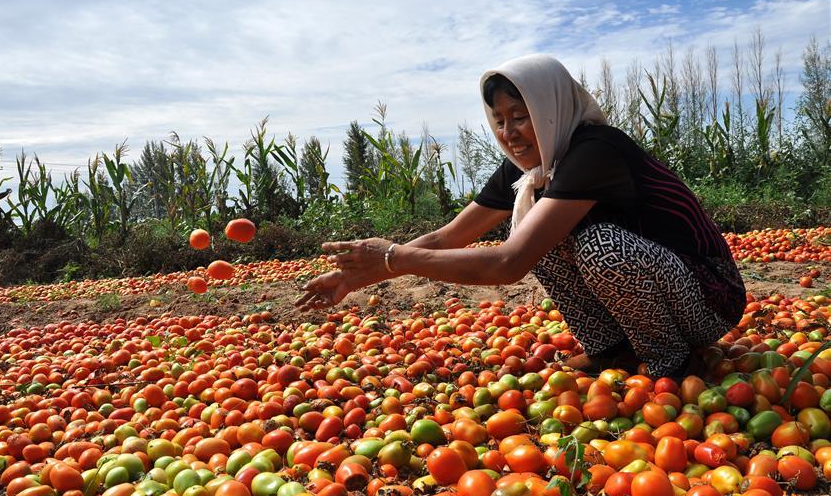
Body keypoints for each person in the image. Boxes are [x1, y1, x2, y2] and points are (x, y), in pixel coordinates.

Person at [296, 54, 746, 379]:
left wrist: (393, 258)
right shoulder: (529, 167)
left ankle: (674, 364)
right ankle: (615, 353)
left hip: (709, 299)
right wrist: (362, 276)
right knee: (536, 235)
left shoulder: (595, 150)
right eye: (499, 120)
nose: (509, 133)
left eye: (520, 116)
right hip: (667, 291)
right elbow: (451, 236)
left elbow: (508, 264)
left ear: (550, 108)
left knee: (596, 247)